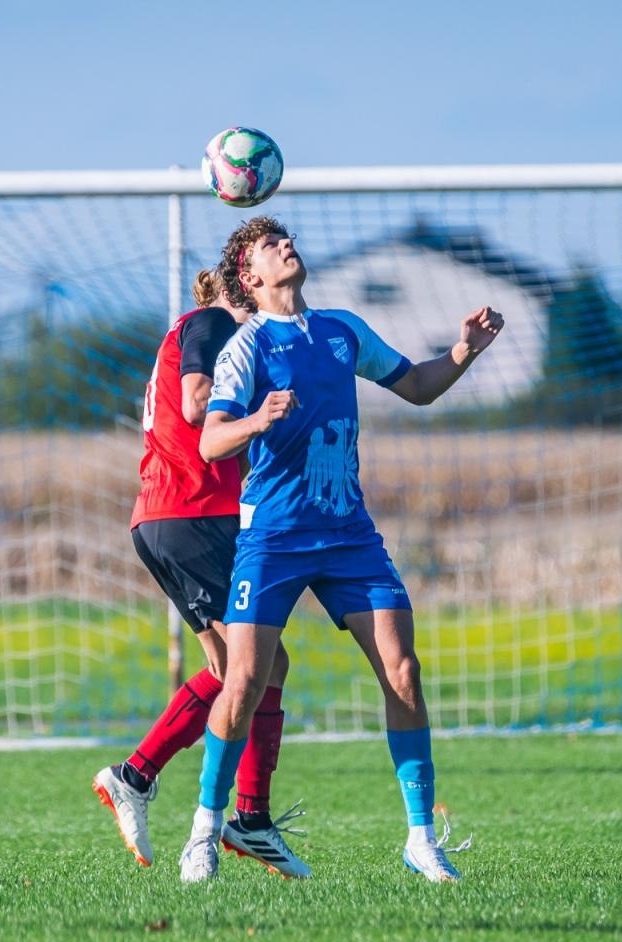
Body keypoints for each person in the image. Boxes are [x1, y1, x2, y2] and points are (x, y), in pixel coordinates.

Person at [177, 216, 504, 883]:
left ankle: (419, 839)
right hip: (273, 534)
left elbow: (415, 385)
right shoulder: (245, 348)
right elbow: (211, 440)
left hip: (348, 532)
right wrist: (259, 419)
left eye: (286, 238)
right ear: (252, 275)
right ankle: (204, 831)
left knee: (403, 668)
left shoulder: (342, 330)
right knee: (241, 683)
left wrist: (464, 352)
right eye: (271, 245)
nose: (286, 246)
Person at [93, 267, 304, 877]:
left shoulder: (191, 331)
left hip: (161, 517)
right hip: (197, 509)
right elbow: (193, 404)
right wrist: (257, 413)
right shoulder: (211, 323)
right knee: (263, 665)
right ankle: (251, 818)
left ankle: (134, 777)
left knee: (228, 667)